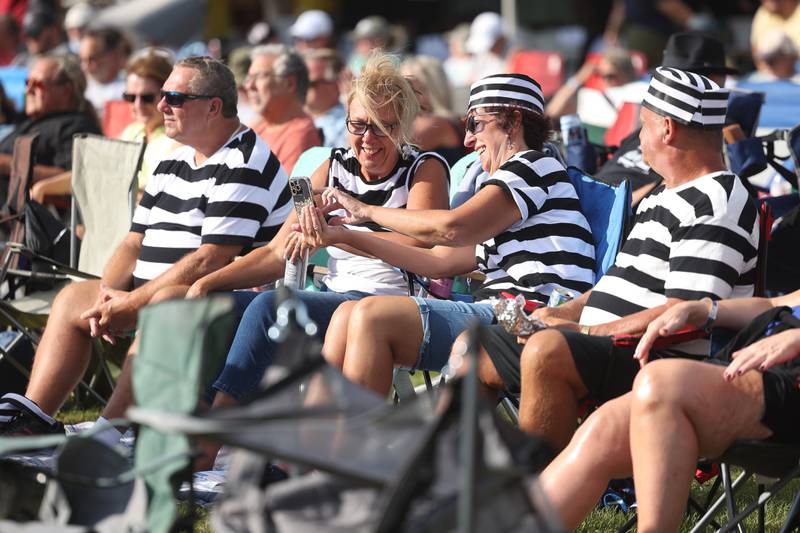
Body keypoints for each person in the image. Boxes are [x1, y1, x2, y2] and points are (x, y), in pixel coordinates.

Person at [462, 66, 758, 452]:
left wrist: (581, 333)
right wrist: (562, 315)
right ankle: (457, 480)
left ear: (667, 130)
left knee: (547, 350)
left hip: (654, 360)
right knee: (477, 347)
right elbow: (612, 285)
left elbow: (682, 313)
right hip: (608, 348)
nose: (639, 139)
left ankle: (534, 495)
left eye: (643, 127)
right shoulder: (660, 197)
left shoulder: (717, 199)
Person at [0, 56, 292, 436]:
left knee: (163, 301)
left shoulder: (245, 160)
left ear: (213, 107)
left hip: (233, 306)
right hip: (163, 292)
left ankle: (112, 428)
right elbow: (133, 241)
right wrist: (109, 296)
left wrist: (133, 303)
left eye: (173, 96)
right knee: (74, 299)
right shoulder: (173, 162)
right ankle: (33, 418)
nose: (160, 106)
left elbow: (211, 260)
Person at [185, 53, 449, 469]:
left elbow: (421, 249)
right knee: (214, 309)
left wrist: (342, 234)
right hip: (332, 296)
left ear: (404, 126)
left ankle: (209, 446)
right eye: (359, 125)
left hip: (384, 304)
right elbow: (277, 251)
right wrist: (208, 283)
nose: (369, 138)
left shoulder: (424, 169)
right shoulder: (335, 166)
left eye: (384, 127)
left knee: (270, 306)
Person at [309, 73, 596, 396]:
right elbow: (438, 261)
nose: (467, 141)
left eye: (474, 124)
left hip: (536, 317)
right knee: (348, 311)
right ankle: (318, 434)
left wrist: (366, 211)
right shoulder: (505, 197)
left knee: (370, 315)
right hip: (505, 312)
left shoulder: (533, 166)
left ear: (513, 121)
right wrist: (343, 235)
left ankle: (348, 439)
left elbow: (451, 229)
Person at [539, 289, 800, 531]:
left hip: (790, 378)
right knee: (606, 427)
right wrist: (702, 309)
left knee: (662, 383)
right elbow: (774, 303)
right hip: (753, 358)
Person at [595, 32, 737, 207]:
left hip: (610, 209)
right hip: (604, 205)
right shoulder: (712, 131)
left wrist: (611, 208)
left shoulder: (714, 133)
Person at [30, 51, 178, 203]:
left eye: (147, 98)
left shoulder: (176, 140)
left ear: (167, 96)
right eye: (130, 97)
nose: (137, 105)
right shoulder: (132, 132)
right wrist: (45, 187)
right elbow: (93, 172)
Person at [0, 53, 100, 202]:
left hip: (31, 215)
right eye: (27, 83)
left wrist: (5, 164)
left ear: (66, 91)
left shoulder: (77, 126)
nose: (28, 90)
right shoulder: (29, 121)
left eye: (37, 84)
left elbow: (73, 178)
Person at [246, 44, 322, 174]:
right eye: (249, 78)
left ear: (289, 84)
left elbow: (290, 193)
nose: (249, 86)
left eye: (259, 76)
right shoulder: (258, 127)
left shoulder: (301, 134)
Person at [401, 55, 465, 166]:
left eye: (415, 90)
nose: (406, 96)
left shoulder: (437, 123)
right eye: (402, 88)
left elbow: (392, 148)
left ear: (434, 90)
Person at [78, 27, 130, 119]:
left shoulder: (131, 89)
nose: (85, 67)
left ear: (112, 56)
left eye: (92, 59)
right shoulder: (79, 91)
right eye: (82, 60)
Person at [303, 47, 348, 149]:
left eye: (310, 83)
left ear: (337, 83)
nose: (302, 88)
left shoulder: (349, 124)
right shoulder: (295, 118)